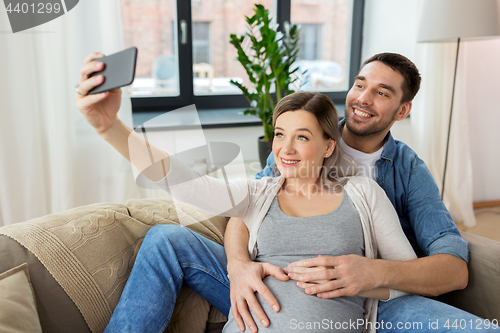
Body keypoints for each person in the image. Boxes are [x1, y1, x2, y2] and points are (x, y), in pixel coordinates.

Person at [75, 52, 494, 333]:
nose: (363, 98)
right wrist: (238, 265)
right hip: (266, 291)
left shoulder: (384, 182)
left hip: (356, 300)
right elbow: (214, 195)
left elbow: (448, 269)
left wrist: (371, 274)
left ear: (402, 110)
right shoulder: (274, 176)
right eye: (360, 84)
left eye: (382, 93)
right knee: (166, 238)